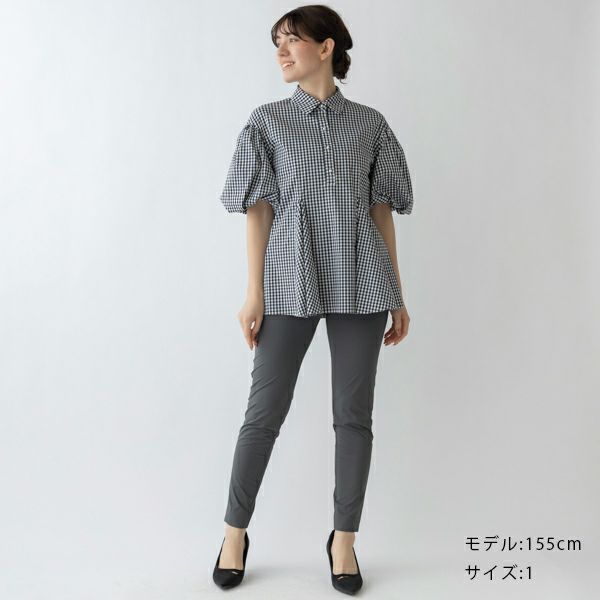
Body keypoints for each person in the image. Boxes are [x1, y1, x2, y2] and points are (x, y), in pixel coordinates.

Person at [213, 4, 413, 594]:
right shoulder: (267, 122)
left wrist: (397, 294)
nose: (281, 51)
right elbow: (257, 211)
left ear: (325, 47)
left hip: (362, 281)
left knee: (354, 418)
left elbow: (381, 212)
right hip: (288, 280)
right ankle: (233, 533)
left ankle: (343, 541)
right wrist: (253, 293)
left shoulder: (370, 125)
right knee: (263, 414)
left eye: (291, 40)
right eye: (276, 42)